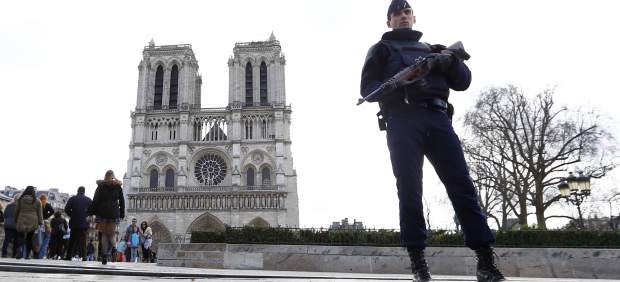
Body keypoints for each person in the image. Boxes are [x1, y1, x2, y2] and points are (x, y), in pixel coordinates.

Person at [360, 1, 505, 281]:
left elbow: (463, 81)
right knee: (410, 190)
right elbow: (368, 91)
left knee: (462, 187)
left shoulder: (434, 49)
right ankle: (418, 263)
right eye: (396, 15)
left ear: (413, 17)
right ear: (388, 21)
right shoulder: (380, 50)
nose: (402, 17)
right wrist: (401, 81)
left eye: (406, 13)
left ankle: (485, 261)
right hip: (402, 119)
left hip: (438, 118)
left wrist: (448, 59)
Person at [88, 170, 125, 265]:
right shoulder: (118, 187)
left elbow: (95, 200)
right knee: (112, 234)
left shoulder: (100, 186)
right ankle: (114, 248)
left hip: (102, 212)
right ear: (114, 176)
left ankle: (104, 256)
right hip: (113, 212)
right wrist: (122, 213)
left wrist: (90, 212)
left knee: (104, 234)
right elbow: (122, 201)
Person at [64, 186, 93, 261]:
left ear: (77, 191)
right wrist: (86, 215)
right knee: (83, 241)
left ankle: (68, 256)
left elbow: (66, 209)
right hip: (84, 223)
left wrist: (72, 215)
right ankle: (84, 257)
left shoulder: (72, 199)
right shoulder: (88, 200)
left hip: (74, 222)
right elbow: (93, 210)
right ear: (84, 191)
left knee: (72, 240)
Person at [14, 186, 43, 259]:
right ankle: (27, 255)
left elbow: (16, 211)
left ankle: (20, 250)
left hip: (21, 219)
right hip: (33, 221)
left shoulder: (20, 200)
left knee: (20, 237)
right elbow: (39, 213)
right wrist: (40, 222)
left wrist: (16, 220)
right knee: (30, 238)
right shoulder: (37, 201)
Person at [38, 194, 54, 259]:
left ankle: (36, 253)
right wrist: (47, 215)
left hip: (38, 222)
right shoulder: (47, 205)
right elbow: (52, 211)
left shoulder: (38, 203)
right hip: (46, 223)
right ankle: (41, 255)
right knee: (46, 240)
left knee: (39, 239)